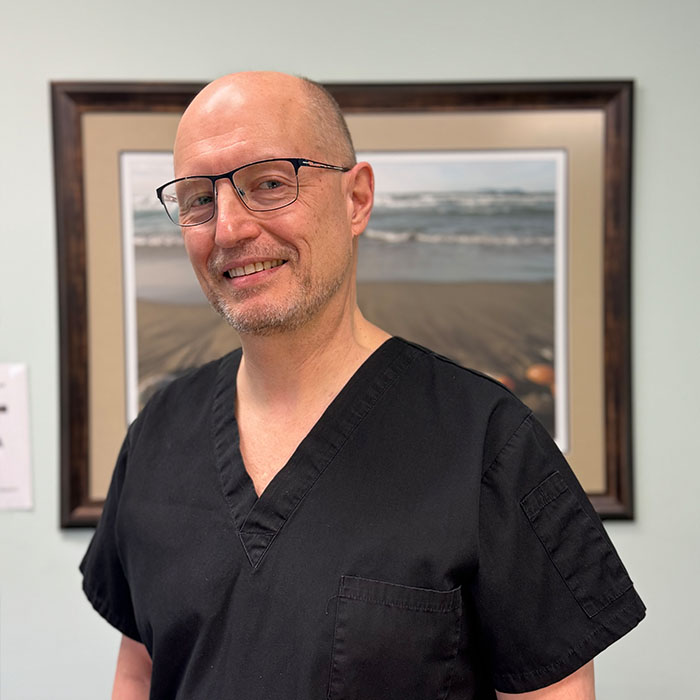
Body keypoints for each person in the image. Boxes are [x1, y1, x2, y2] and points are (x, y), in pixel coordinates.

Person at [80, 71, 645, 700]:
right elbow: (139, 672)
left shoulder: (486, 442)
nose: (230, 229)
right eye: (198, 200)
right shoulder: (158, 435)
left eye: (269, 183)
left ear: (357, 200)